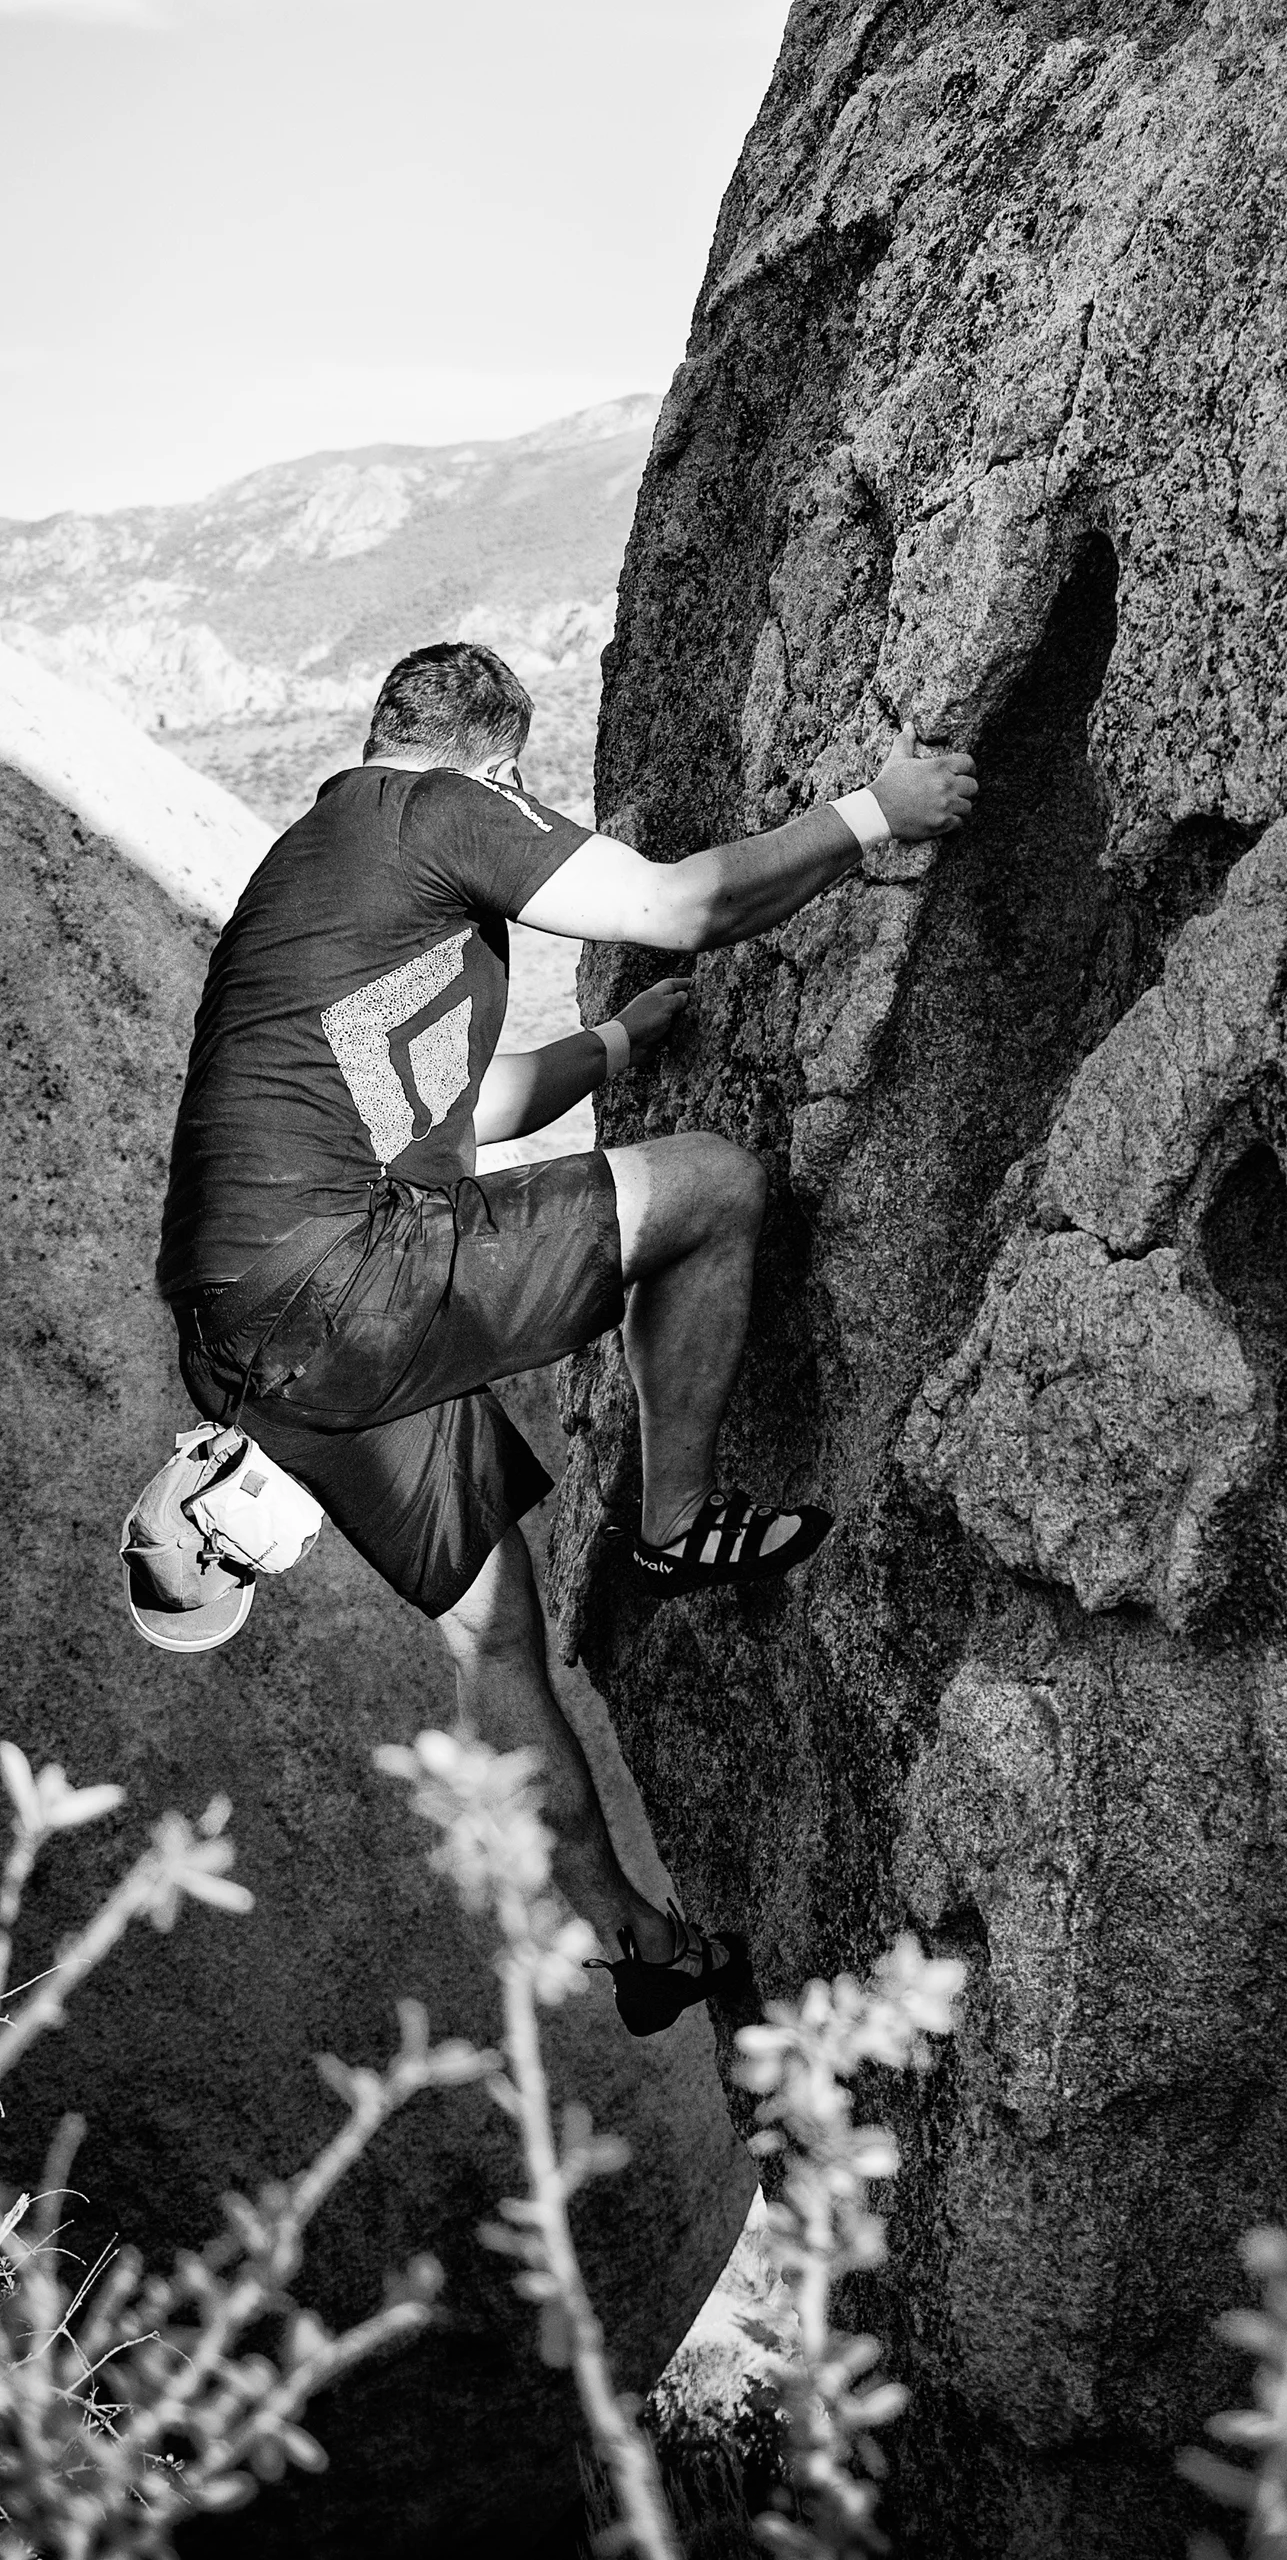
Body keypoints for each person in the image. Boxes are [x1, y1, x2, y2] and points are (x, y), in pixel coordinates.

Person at [150, 639, 977, 2032]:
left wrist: (622, 1049)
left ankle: (643, 1947)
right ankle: (675, 1525)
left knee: (494, 1639)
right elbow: (680, 903)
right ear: (508, 767)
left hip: (248, 1338)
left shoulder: (316, 872)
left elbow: (458, 1118)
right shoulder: (440, 808)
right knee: (713, 1187)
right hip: (353, 1280)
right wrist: (877, 813)